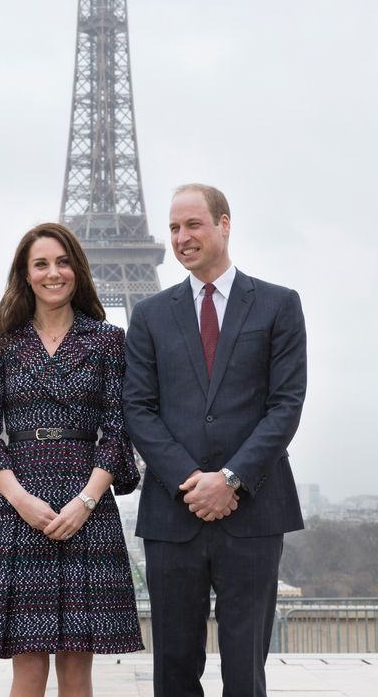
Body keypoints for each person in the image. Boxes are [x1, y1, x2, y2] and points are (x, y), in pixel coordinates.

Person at [123, 184, 307, 697]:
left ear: (225, 224)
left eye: (194, 225)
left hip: (252, 511)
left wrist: (230, 479)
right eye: (175, 228)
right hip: (173, 512)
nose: (182, 237)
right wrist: (192, 480)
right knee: (174, 670)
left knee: (245, 671)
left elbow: (286, 405)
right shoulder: (150, 315)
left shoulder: (278, 305)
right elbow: (137, 408)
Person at [0, 222, 143, 697]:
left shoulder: (107, 340)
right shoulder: (0, 341)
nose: (53, 273)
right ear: (25, 275)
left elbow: (119, 430)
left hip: (85, 499)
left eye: (62, 262)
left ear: (78, 271)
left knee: (77, 669)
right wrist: (20, 500)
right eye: (41, 264)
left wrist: (86, 500)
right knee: (25, 667)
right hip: (19, 502)